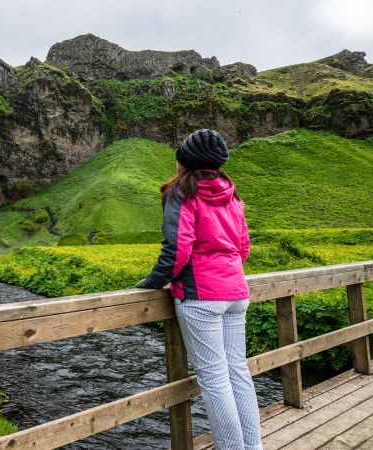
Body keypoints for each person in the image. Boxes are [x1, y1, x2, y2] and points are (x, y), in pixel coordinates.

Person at [134, 129, 262, 450]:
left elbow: (177, 250)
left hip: (201, 295)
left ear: (185, 162)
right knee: (238, 373)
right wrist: (228, 273)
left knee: (215, 379)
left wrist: (150, 283)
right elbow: (242, 247)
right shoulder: (231, 193)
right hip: (236, 292)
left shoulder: (182, 192)